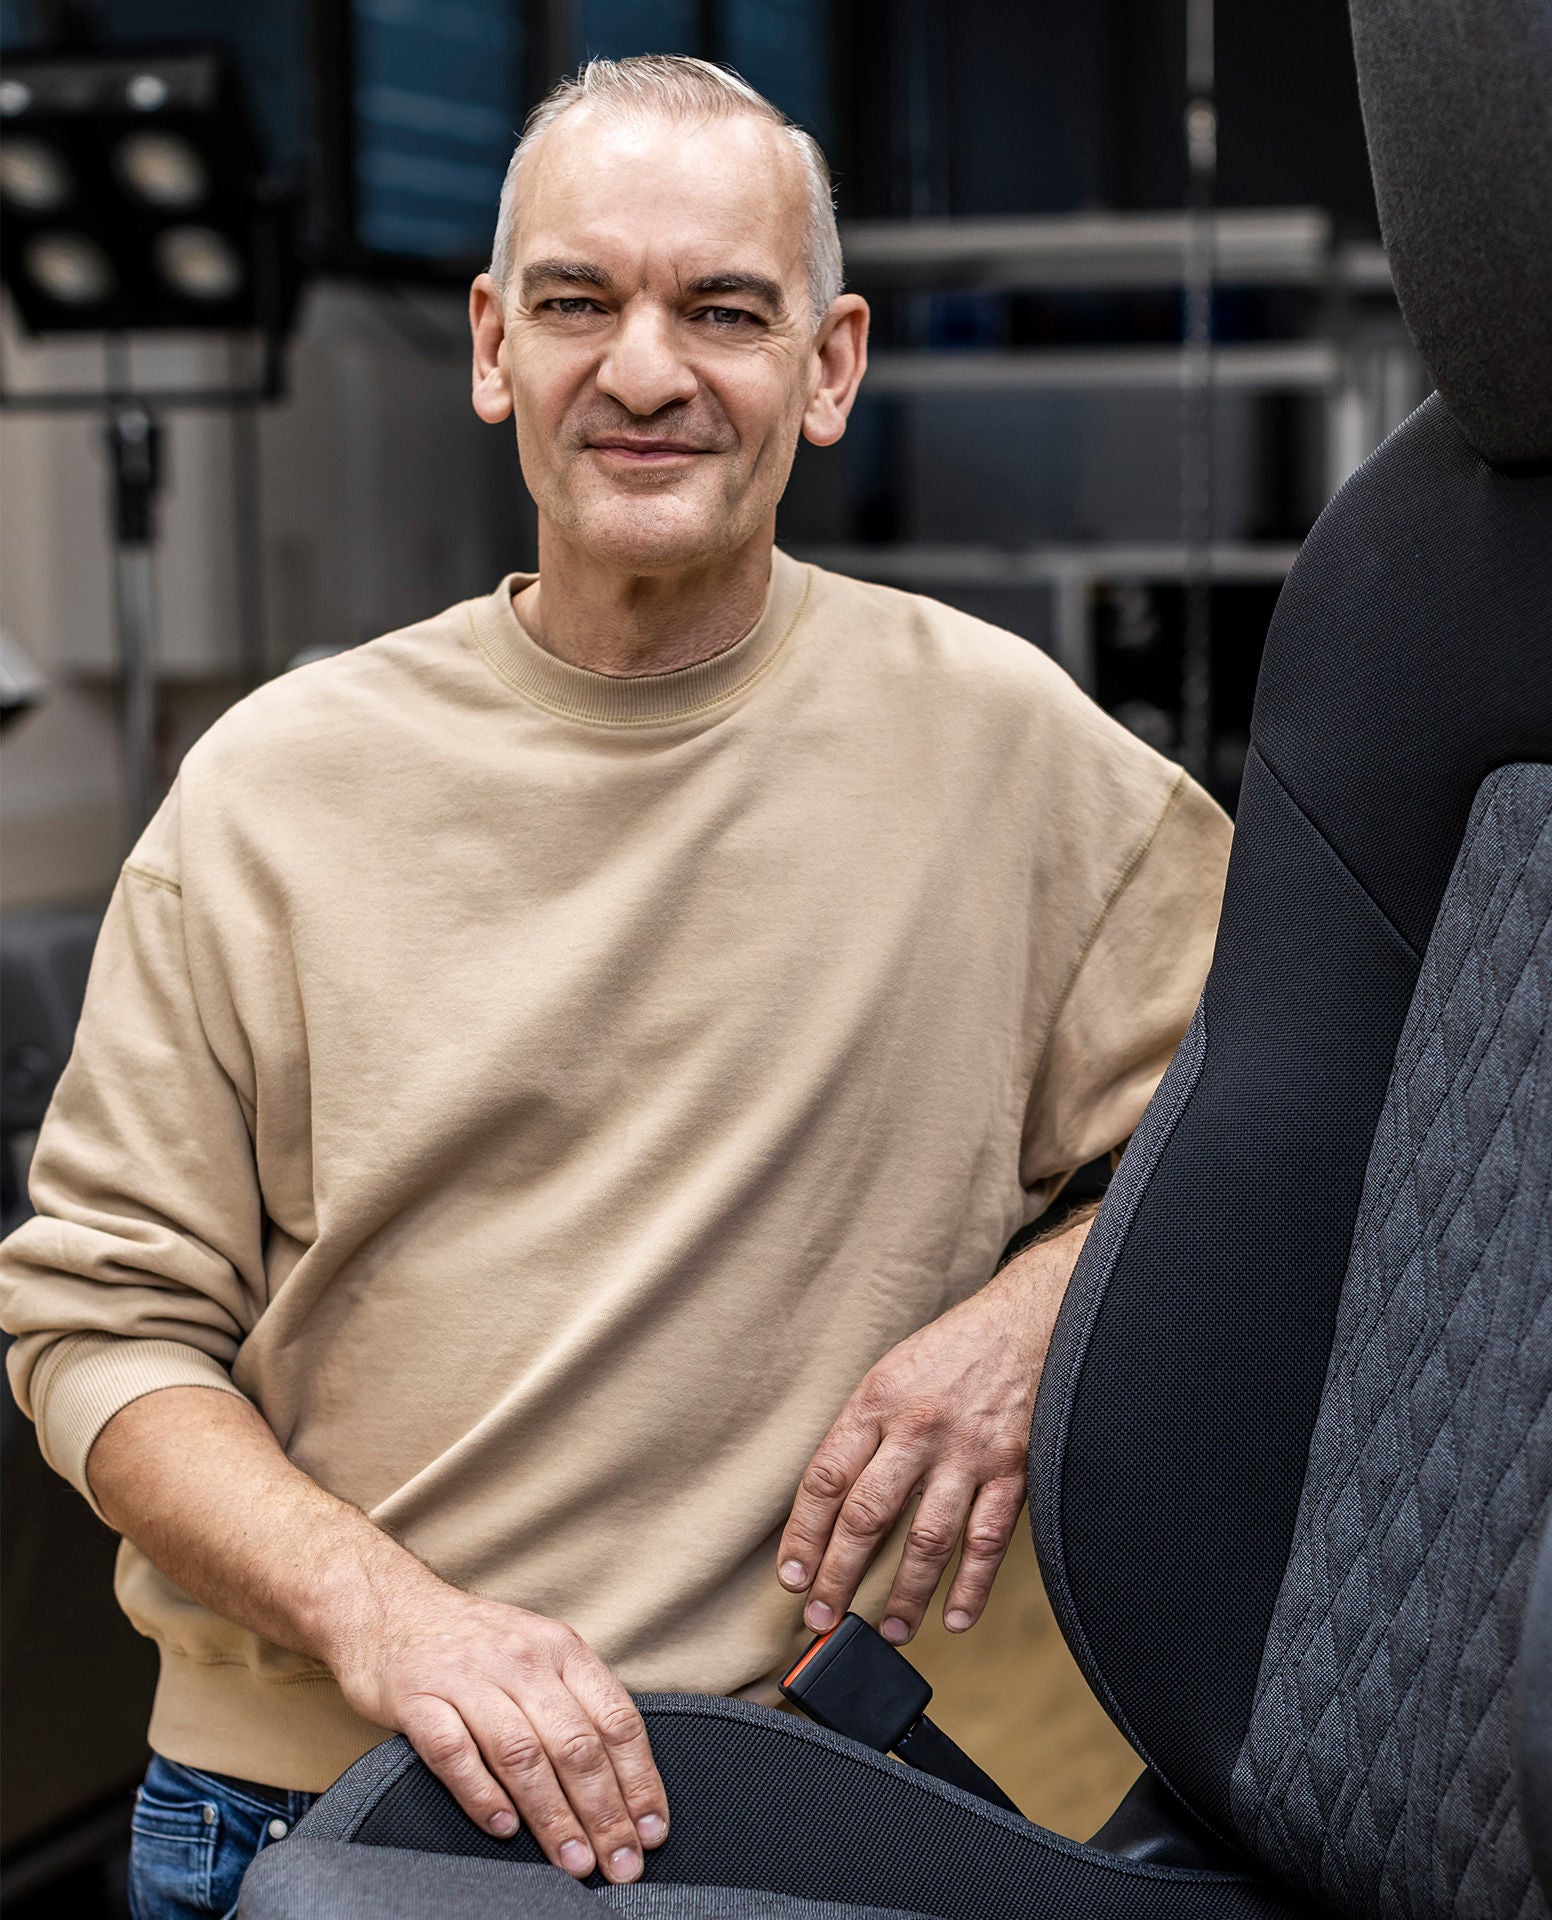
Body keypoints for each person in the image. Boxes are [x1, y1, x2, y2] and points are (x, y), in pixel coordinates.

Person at [0, 55, 1230, 1918]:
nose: (643, 370)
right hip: (304, 1817)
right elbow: (100, 1333)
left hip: (768, 1808)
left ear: (829, 368)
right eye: (581, 302)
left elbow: (1274, 1114)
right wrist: (392, 1620)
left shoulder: (1014, 755)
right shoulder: (271, 791)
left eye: (723, 310)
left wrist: (1029, 1316)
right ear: (494, 346)